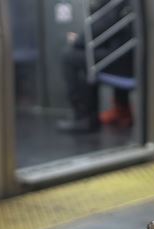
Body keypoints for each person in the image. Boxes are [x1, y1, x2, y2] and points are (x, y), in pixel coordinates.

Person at [57, 0, 134, 133]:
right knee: (88, 57)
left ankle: (84, 118)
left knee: (69, 57)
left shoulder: (115, 3)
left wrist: (78, 40)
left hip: (124, 59)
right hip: (128, 54)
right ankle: (122, 110)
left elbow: (102, 24)